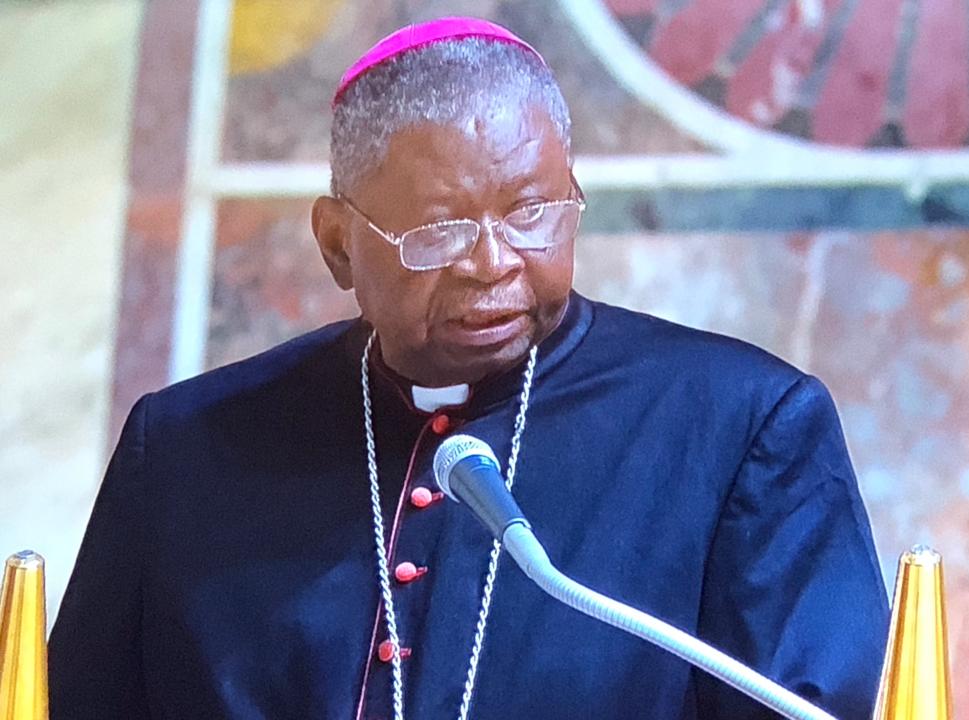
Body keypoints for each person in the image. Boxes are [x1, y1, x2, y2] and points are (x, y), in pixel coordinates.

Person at [49, 17, 889, 720]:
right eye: (439, 230)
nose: (493, 263)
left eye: (532, 212)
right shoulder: (187, 452)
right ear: (338, 244)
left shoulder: (743, 427)